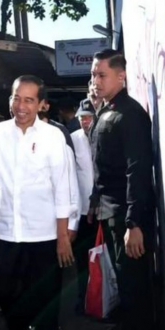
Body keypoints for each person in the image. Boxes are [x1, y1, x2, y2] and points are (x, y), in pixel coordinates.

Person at [0, 75, 77, 330]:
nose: (21, 105)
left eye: (29, 100)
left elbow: (62, 190)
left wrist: (62, 237)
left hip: (44, 237)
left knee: (47, 305)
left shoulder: (52, 136)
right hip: (7, 234)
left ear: (42, 105)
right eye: (16, 98)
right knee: (7, 299)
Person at [89, 50, 156, 330]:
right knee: (125, 285)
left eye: (101, 75)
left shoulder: (129, 114)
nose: (96, 80)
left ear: (121, 76)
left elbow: (137, 170)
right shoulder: (109, 109)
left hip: (126, 218)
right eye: (93, 75)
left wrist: (134, 223)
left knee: (134, 288)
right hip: (111, 211)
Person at [70, 99, 97, 314]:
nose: (85, 122)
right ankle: (83, 299)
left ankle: (103, 301)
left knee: (103, 258)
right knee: (82, 260)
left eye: (88, 117)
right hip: (81, 212)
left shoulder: (105, 137)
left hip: (103, 211)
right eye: (81, 118)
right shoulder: (73, 140)